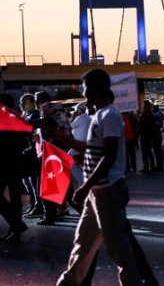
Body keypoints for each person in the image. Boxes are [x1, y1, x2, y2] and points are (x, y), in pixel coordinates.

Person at [56, 68, 147, 286]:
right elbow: (92, 150)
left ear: (96, 91)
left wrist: (85, 186)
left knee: (119, 250)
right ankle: (68, 282)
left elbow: (109, 156)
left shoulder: (110, 115)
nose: (84, 94)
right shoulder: (99, 116)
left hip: (107, 191)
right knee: (84, 243)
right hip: (97, 193)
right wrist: (63, 138)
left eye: (86, 89)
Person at [0, 94, 30, 243]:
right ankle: (15, 228)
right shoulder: (17, 118)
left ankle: (16, 226)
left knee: (12, 197)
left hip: (5, 163)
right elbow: (26, 141)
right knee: (15, 197)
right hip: (16, 162)